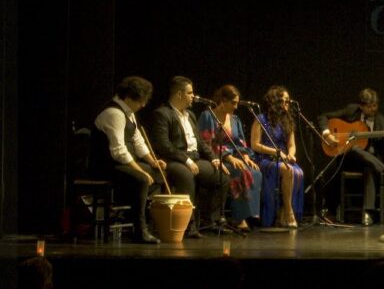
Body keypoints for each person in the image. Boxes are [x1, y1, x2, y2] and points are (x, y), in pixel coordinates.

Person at [149, 76, 230, 238]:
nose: (193, 96)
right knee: (186, 176)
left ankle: (210, 221)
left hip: (195, 158)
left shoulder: (190, 115)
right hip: (174, 159)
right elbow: (163, 145)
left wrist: (213, 158)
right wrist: (186, 160)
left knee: (222, 176)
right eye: (190, 93)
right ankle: (188, 227)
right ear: (179, 94)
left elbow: (200, 142)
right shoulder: (162, 114)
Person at [317, 88, 384, 226]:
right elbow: (323, 117)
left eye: (375, 105)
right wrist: (327, 134)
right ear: (361, 106)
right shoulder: (351, 110)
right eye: (370, 106)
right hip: (347, 159)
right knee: (353, 148)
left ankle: (367, 213)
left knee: (369, 167)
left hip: (370, 162)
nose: (373, 109)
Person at [92, 76, 165, 244]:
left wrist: (153, 162)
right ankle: (139, 230)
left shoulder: (129, 113)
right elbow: (118, 151)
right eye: (141, 101)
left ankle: (133, 214)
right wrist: (139, 170)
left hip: (120, 164)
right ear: (129, 98)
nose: (144, 105)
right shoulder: (114, 113)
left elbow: (138, 141)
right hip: (106, 165)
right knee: (141, 179)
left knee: (158, 173)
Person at [197, 84, 263, 233]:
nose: (235, 107)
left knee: (255, 171)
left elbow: (240, 142)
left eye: (237, 103)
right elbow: (206, 142)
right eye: (232, 103)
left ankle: (248, 214)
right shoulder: (208, 116)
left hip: (235, 157)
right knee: (241, 173)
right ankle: (239, 218)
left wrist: (245, 156)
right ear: (223, 100)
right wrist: (228, 157)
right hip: (216, 158)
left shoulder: (235, 120)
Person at [250, 85, 304, 227]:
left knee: (299, 172)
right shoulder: (261, 119)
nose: (287, 104)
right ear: (275, 102)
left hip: (283, 157)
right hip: (265, 158)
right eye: (284, 101)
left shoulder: (288, 121)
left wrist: (291, 154)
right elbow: (255, 145)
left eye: (288, 101)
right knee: (288, 170)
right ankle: (288, 211)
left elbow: (291, 145)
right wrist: (276, 152)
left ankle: (282, 211)